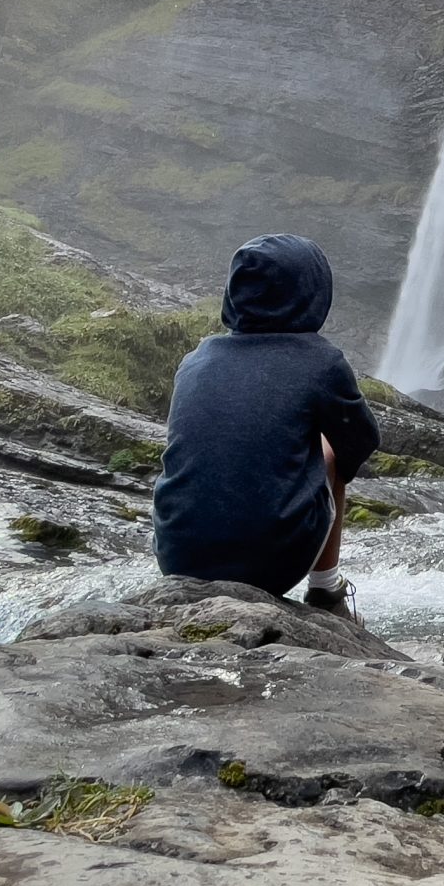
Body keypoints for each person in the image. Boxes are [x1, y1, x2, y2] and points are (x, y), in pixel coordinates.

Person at [153, 233, 377, 620]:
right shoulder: (321, 363)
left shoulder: (196, 359)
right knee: (330, 445)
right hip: (270, 565)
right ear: (312, 291)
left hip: (177, 556)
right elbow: (359, 443)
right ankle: (327, 592)